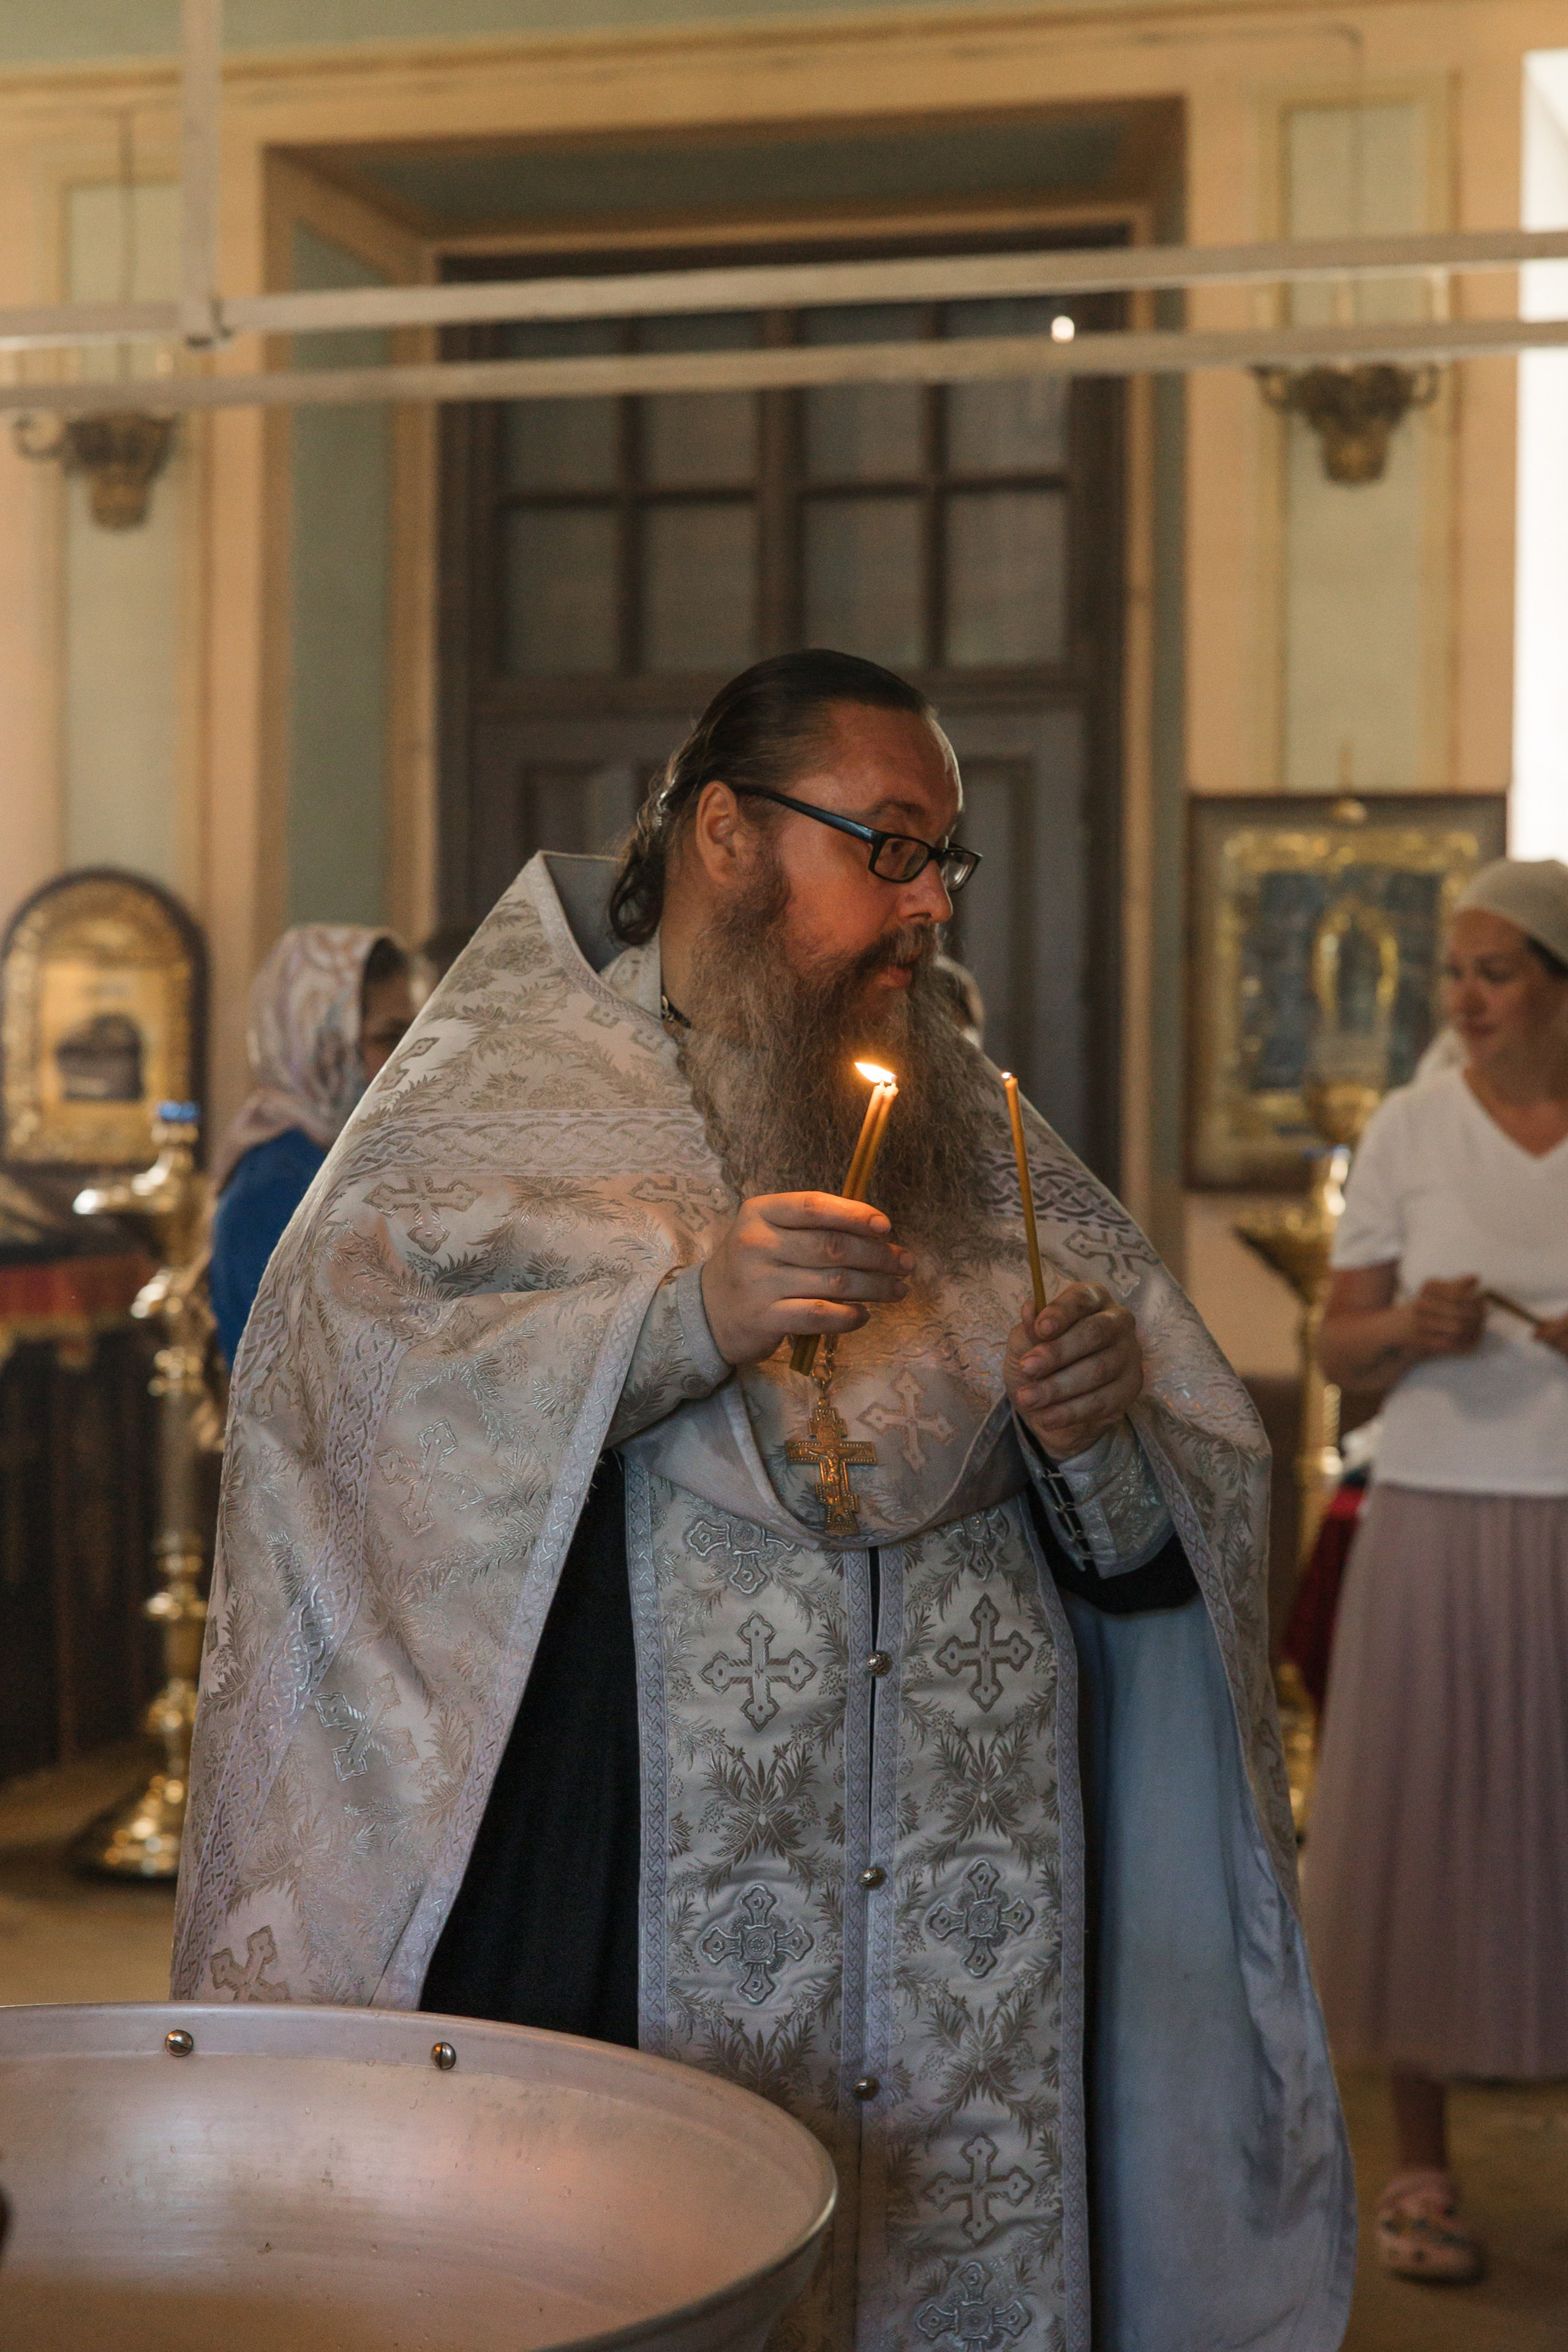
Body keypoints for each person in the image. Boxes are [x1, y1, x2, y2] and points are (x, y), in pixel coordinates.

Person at [175, 652, 1352, 2351]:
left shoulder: (963, 1123)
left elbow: (1151, 1532)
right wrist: (683, 1326)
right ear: (728, 830)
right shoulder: (495, 1106)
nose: (930, 902)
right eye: (889, 845)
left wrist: (1098, 1444)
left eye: (945, 859)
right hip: (615, 1892)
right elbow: (354, 1411)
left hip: (977, 1937)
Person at [1306, 857, 1568, 2285]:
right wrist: (1411, 1321)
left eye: (1494, 969)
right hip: (1433, 1512)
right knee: (1432, 1828)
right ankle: (1418, 2164)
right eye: (1452, 971)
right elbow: (1338, 1347)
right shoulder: (1409, 1126)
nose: (1462, 997)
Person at [208, 925, 412, 1365]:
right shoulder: (274, 1186)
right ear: (323, 1041)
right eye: (389, 1037)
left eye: (414, 1036)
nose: (411, 1058)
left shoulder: (331, 1160)